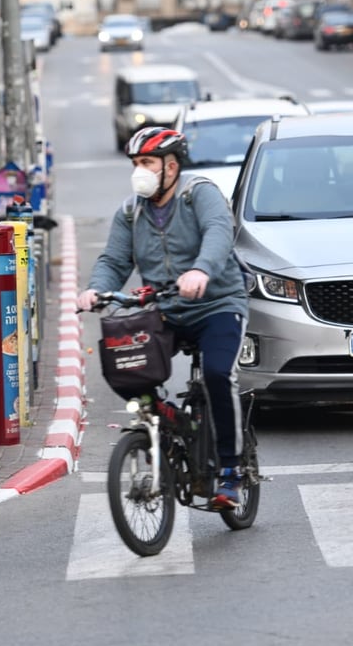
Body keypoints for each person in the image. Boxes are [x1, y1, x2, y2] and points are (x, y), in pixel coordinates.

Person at [77, 126, 250, 509]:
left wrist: (202, 270)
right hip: (167, 310)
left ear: (171, 167)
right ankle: (171, 421)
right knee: (124, 364)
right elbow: (114, 260)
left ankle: (230, 472)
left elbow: (219, 231)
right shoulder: (130, 211)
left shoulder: (198, 193)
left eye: (147, 163)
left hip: (217, 304)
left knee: (219, 375)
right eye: (136, 163)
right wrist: (95, 289)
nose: (140, 170)